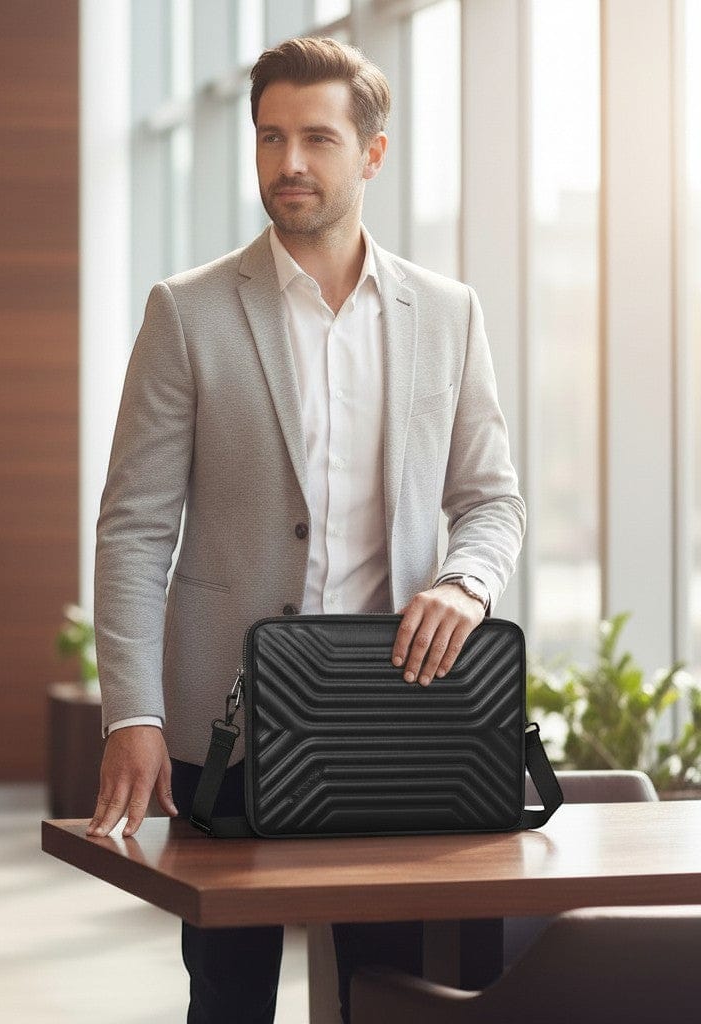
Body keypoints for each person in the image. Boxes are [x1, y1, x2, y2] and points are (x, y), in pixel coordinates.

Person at [88, 36, 525, 1024]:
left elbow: (492, 498)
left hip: (390, 718)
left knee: (388, 987)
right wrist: (133, 713)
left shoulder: (447, 315)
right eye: (271, 137)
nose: (289, 161)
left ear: (370, 154)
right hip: (227, 724)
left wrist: (466, 581)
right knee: (229, 995)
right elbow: (133, 531)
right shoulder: (188, 313)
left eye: (317, 138)